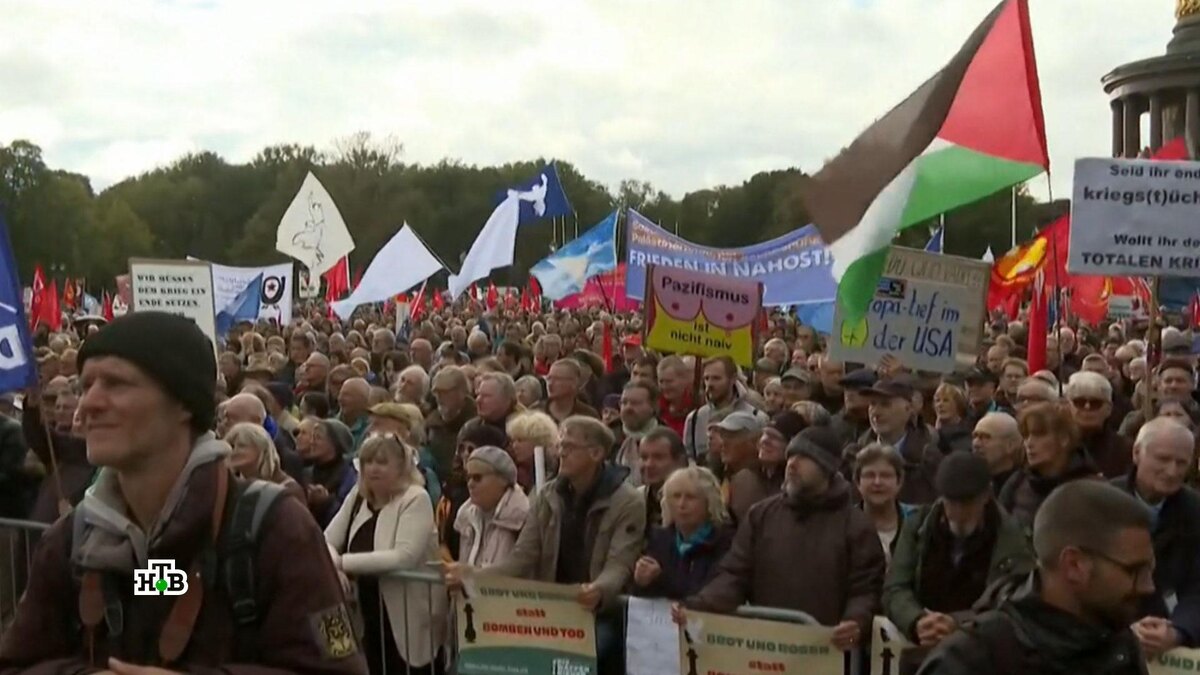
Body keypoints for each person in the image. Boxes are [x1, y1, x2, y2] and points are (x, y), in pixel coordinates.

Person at [0, 312, 367, 674]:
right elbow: (15, 663)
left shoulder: (278, 531)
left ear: (183, 403)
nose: (88, 405)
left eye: (116, 384)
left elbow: (340, 667)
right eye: (86, 386)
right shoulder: (73, 540)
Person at [446, 416, 645, 675]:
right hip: (550, 610)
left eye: (569, 447)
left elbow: (620, 563)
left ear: (596, 453)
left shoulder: (628, 501)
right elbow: (521, 558)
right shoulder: (548, 495)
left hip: (599, 612)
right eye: (560, 445)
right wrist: (473, 576)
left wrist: (598, 589)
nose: (560, 452)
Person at [680, 426, 886, 654]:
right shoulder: (761, 515)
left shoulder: (855, 525)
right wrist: (699, 605)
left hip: (828, 653)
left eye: (804, 458)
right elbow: (735, 573)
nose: (792, 464)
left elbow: (866, 588)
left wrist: (855, 621)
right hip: (768, 651)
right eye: (790, 456)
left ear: (827, 468)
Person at [917, 481, 1154, 675]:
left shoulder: (1120, 648)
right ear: (1074, 565)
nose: (1148, 586)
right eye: (1134, 571)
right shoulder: (970, 660)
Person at [883, 453, 1034, 673]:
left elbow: (1014, 601)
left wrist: (958, 623)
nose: (957, 512)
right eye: (950, 502)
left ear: (986, 496)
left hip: (981, 655)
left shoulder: (1012, 538)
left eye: (966, 503)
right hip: (921, 650)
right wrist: (916, 620)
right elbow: (895, 586)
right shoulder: (918, 526)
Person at [325, 434, 446, 675]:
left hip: (407, 615)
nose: (373, 469)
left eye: (382, 462)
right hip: (365, 613)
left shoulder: (415, 498)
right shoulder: (357, 496)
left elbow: (403, 556)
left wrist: (341, 563)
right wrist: (332, 564)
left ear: (401, 466)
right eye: (368, 462)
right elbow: (326, 539)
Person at [1111, 419, 1200, 655]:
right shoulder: (1101, 502)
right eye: (1162, 459)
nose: (1172, 471)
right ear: (1137, 453)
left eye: (1181, 462)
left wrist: (1178, 631)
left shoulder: (1195, 512)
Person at [633, 466, 733, 600]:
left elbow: (706, 591)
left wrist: (660, 578)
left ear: (709, 501)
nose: (681, 504)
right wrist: (641, 581)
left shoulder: (725, 542)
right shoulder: (659, 539)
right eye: (676, 496)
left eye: (690, 497)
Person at [1000, 402, 1100, 532]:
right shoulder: (1017, 482)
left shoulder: (1092, 487)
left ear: (1064, 439)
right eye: (1026, 436)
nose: (1029, 443)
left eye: (1038, 435)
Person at [860, 378, 945, 505]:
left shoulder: (928, 460)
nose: (876, 412)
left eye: (885, 404)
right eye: (872, 404)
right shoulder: (854, 455)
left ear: (908, 409)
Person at [453, 446, 530, 568]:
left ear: (503, 480)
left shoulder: (524, 517)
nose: (470, 484)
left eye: (477, 478)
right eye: (468, 477)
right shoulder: (465, 515)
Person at [683, 356, 766, 464]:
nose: (710, 384)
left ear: (733, 379)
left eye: (716, 378)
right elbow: (689, 459)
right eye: (706, 378)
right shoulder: (695, 418)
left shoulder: (757, 418)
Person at [729, 410, 805, 526]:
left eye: (774, 437)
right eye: (764, 434)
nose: (764, 441)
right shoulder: (743, 478)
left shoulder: (799, 484)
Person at [1066, 371, 1131, 479]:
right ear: (1069, 406)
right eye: (1079, 402)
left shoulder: (1124, 449)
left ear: (1109, 409)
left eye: (1095, 403)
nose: (1087, 407)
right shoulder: (1057, 446)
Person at [855, 443, 912, 565]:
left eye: (886, 476)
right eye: (869, 475)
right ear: (857, 482)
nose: (877, 482)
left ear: (899, 481)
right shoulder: (844, 524)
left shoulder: (917, 521)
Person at [224, 421, 304, 503]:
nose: (233, 451)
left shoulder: (289, 490)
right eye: (231, 445)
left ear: (261, 449)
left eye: (241, 445)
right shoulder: (229, 486)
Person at [305, 419, 360, 528]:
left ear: (335, 443)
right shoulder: (306, 472)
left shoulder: (349, 475)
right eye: (312, 437)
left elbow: (347, 517)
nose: (312, 442)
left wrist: (326, 502)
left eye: (318, 438)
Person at [636, 427, 690, 537]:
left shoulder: (695, 500)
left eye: (658, 457)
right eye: (644, 457)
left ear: (680, 461)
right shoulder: (636, 499)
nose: (649, 464)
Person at [426, 366, 476, 480]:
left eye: (444, 392)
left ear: (462, 392)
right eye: (436, 392)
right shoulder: (431, 422)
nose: (439, 397)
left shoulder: (476, 425)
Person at [611, 381, 660, 482]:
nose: (628, 408)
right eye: (624, 403)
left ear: (653, 406)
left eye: (635, 403)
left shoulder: (665, 438)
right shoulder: (607, 437)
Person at [506, 410, 560, 494]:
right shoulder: (515, 473)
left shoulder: (555, 473)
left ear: (539, 440)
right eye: (513, 441)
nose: (514, 446)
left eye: (520, 440)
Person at [971, 412, 1022, 494]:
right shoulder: (968, 482)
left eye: (985, 437)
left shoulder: (1021, 489)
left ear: (1010, 446)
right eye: (975, 436)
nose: (976, 444)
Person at [538, 358, 600, 422]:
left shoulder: (588, 416)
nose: (550, 384)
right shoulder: (535, 412)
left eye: (557, 379)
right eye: (549, 379)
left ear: (574, 383)